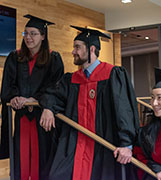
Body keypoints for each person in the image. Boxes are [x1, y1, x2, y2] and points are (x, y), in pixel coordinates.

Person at [39, 25, 140, 180]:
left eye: (77, 47)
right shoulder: (71, 79)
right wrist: (48, 108)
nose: (73, 52)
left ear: (92, 49)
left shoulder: (112, 74)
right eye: (74, 47)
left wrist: (126, 143)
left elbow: (124, 111)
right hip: (75, 141)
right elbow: (53, 94)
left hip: (104, 142)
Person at [0, 14, 64, 180]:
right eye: (25, 33)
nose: (28, 37)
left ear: (43, 36)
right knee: (20, 160)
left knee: (42, 159)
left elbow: (55, 88)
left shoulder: (53, 59)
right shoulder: (14, 57)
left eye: (33, 33)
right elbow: (7, 87)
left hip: (42, 119)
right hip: (22, 118)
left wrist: (33, 100)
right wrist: (14, 97)